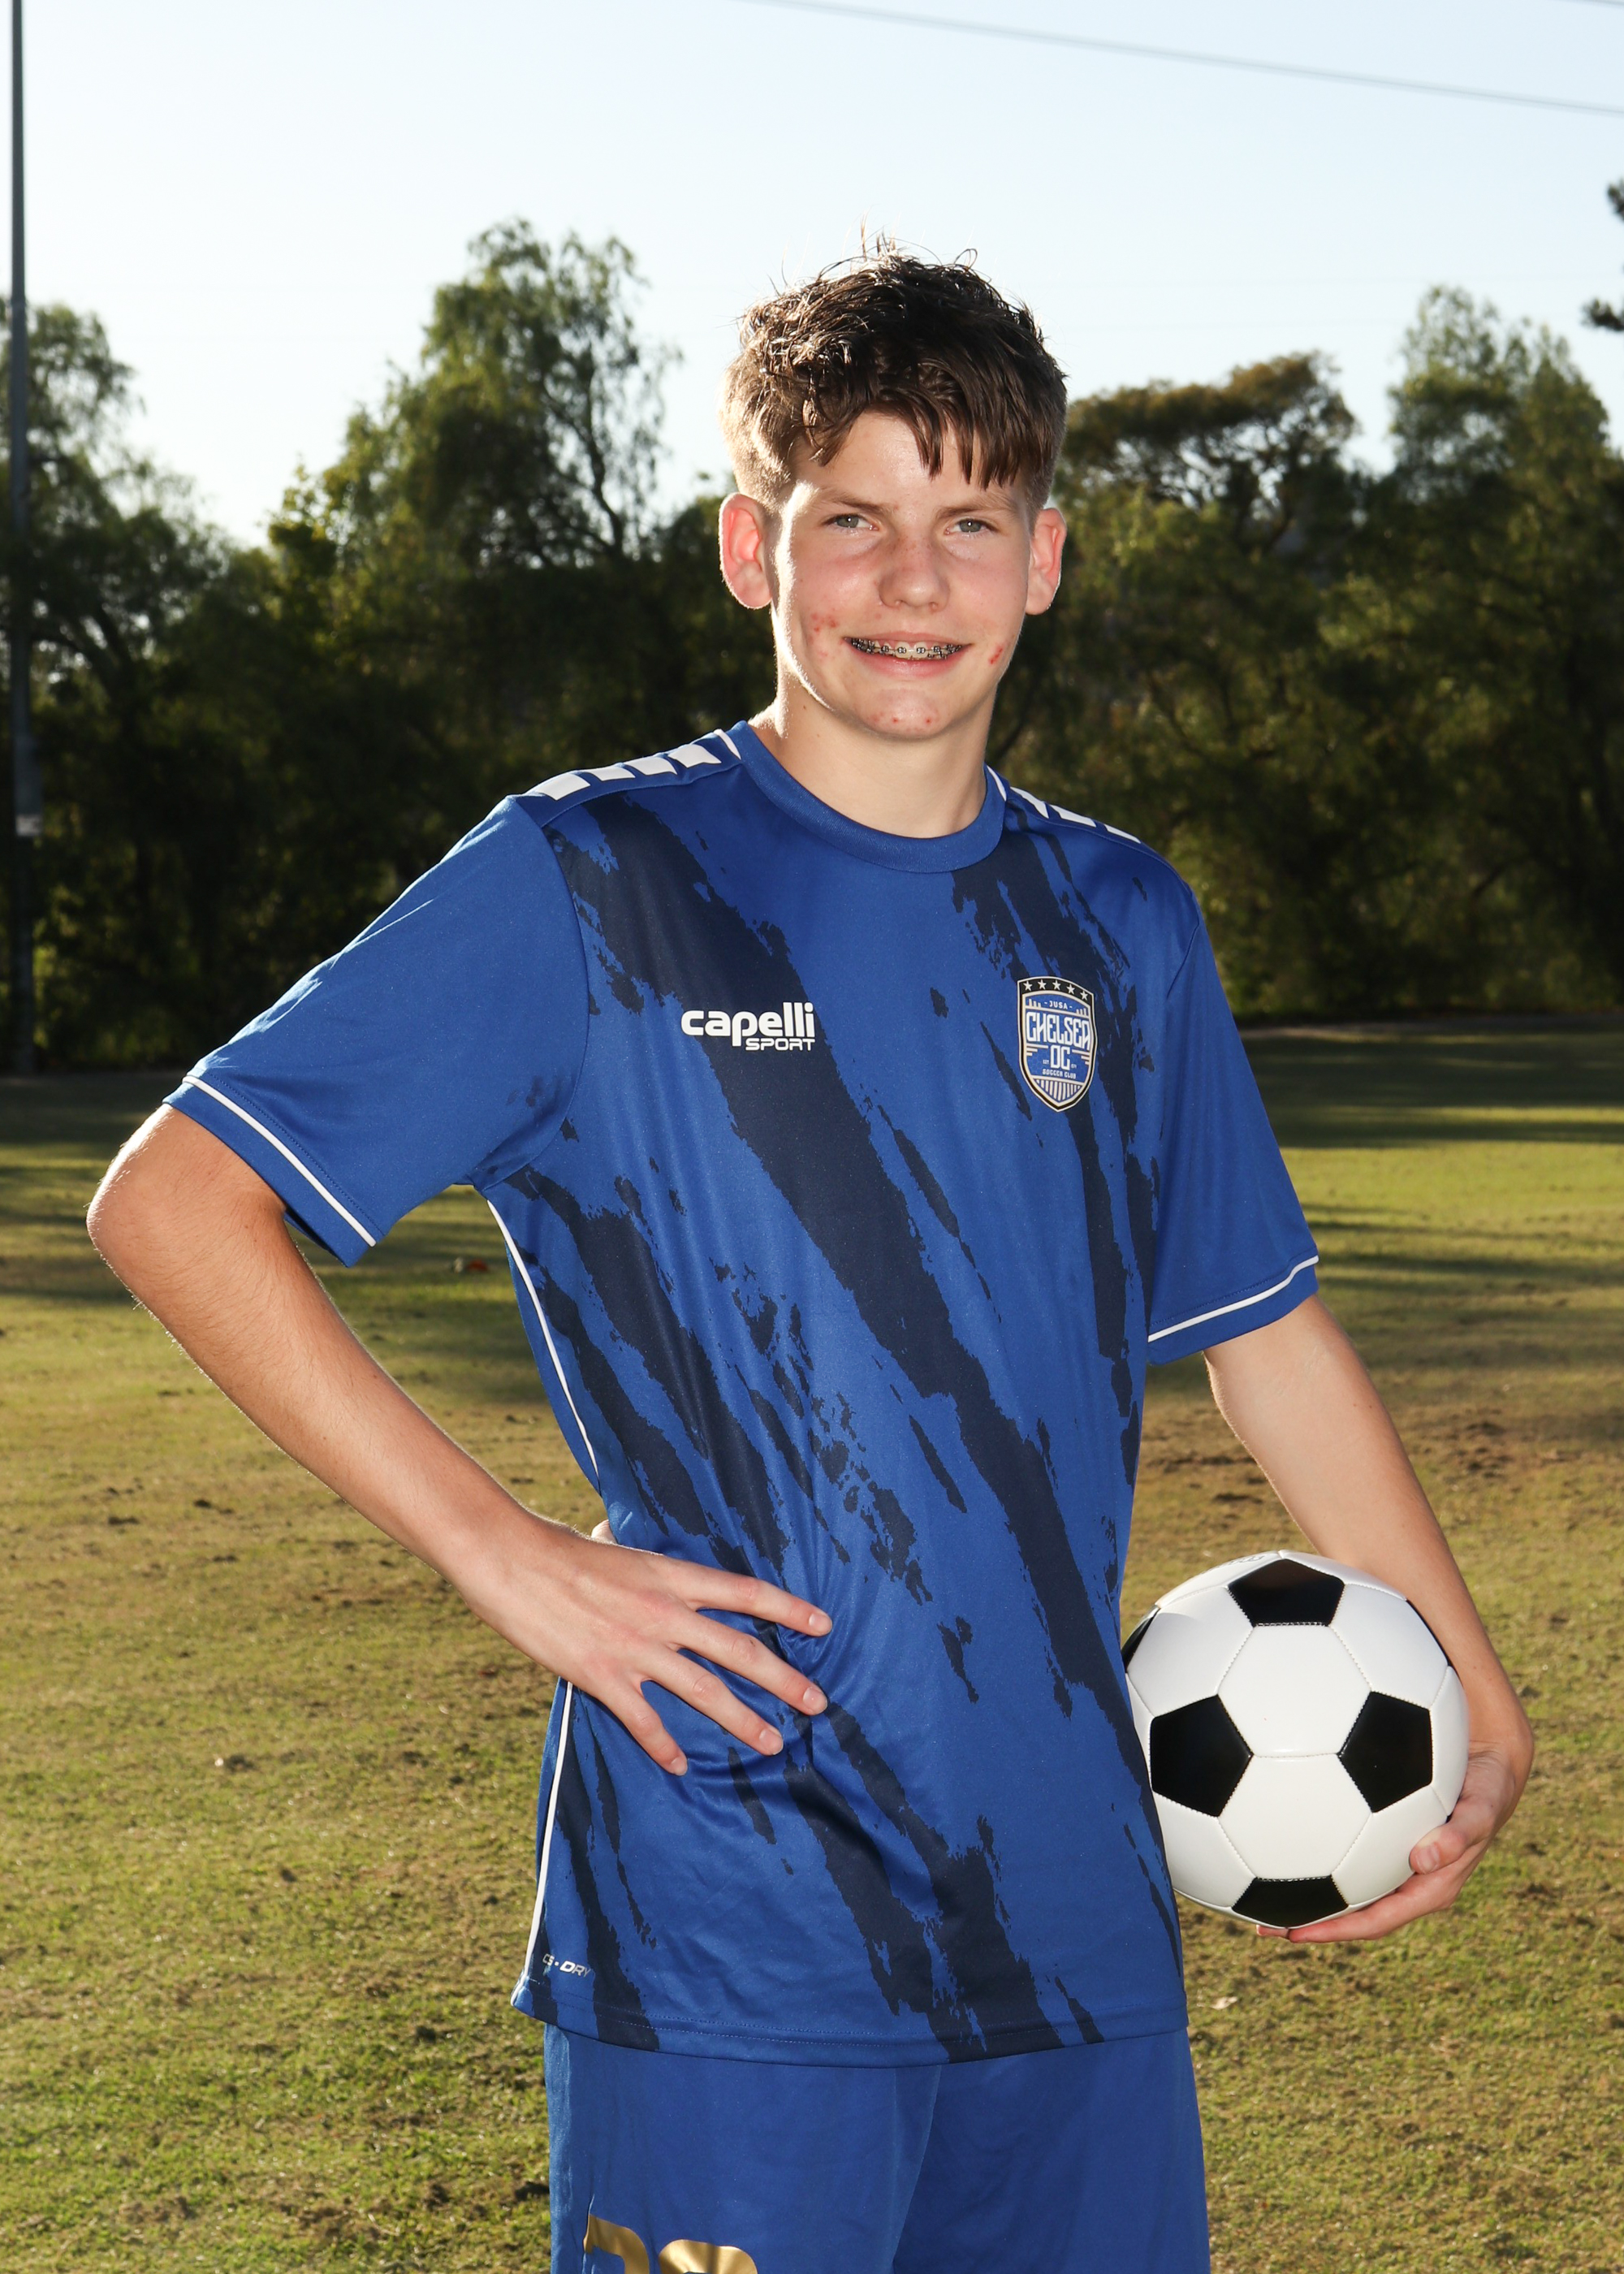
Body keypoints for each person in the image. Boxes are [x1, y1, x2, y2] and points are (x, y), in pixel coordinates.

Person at [88, 249, 1531, 2274]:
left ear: (1045, 560)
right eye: (851, 518)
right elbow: (174, 1198)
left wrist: (1465, 1668)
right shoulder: (593, 879)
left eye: (970, 522)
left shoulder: (1118, 919)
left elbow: (1259, 1325)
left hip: (1074, 1916)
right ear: (749, 544)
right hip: (730, 1921)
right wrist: (509, 1554)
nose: (911, 579)